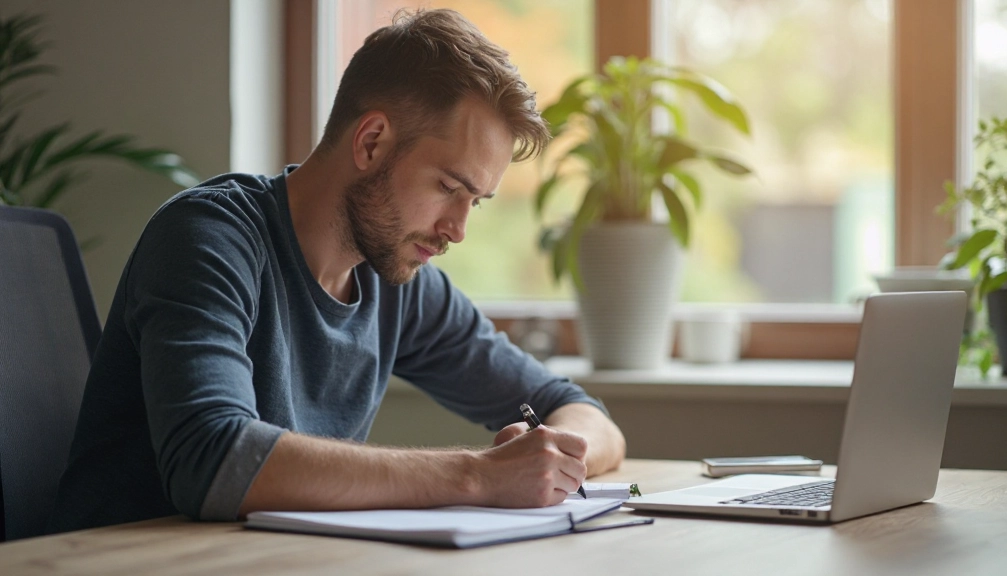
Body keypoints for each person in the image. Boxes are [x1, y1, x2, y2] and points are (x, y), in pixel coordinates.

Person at [48, 8, 625, 533]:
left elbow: (575, 409)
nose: (458, 229)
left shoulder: (397, 279)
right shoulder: (209, 238)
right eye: (449, 187)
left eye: (476, 201)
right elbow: (214, 460)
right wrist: (480, 475)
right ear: (371, 142)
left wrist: (552, 457)